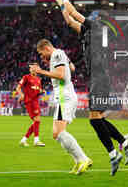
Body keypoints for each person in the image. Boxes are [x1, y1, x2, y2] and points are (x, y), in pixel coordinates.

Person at [51, 0, 128, 176]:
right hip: (97, 79)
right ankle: (124, 145)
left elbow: (72, 12)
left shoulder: (96, 28)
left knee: (95, 119)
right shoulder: (88, 33)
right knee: (97, 118)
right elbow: (69, 21)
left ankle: (115, 153)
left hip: (100, 78)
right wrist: (61, 5)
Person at [30, 39, 92, 175]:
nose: (42, 57)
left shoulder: (57, 54)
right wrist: (52, 65)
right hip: (65, 96)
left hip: (65, 96)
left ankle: (83, 159)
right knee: (56, 134)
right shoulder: (60, 54)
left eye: (41, 54)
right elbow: (72, 67)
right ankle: (78, 161)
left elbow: (61, 75)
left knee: (59, 132)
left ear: (46, 48)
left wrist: (40, 71)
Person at [16, 63, 45, 147]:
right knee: (37, 120)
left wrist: (41, 91)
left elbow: (38, 90)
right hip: (29, 101)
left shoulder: (38, 80)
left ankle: (24, 140)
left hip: (35, 101)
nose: (32, 69)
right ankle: (36, 140)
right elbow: (18, 88)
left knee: (36, 121)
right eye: (31, 68)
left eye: (34, 68)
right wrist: (21, 95)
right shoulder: (26, 77)